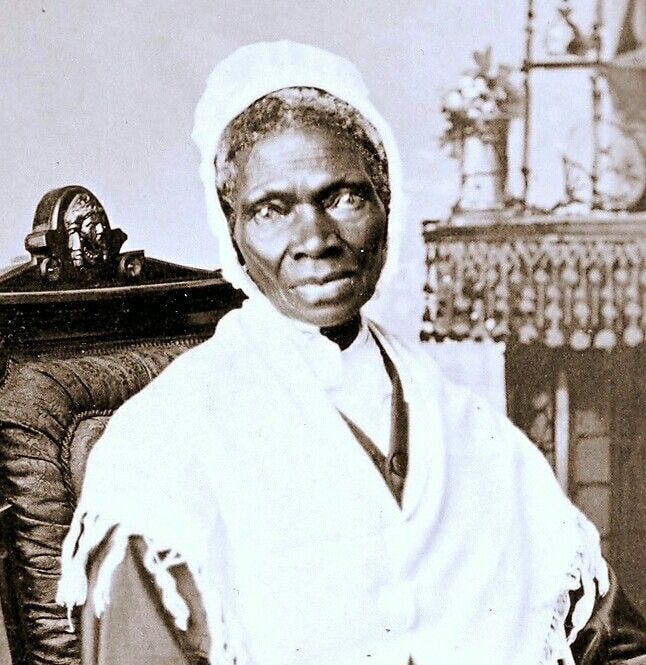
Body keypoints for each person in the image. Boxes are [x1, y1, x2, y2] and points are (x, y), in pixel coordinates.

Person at [57, 41, 645, 665]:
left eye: (343, 197)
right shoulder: (160, 449)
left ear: (387, 205)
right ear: (232, 229)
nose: (315, 239)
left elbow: (608, 641)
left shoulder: (469, 431)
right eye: (272, 210)